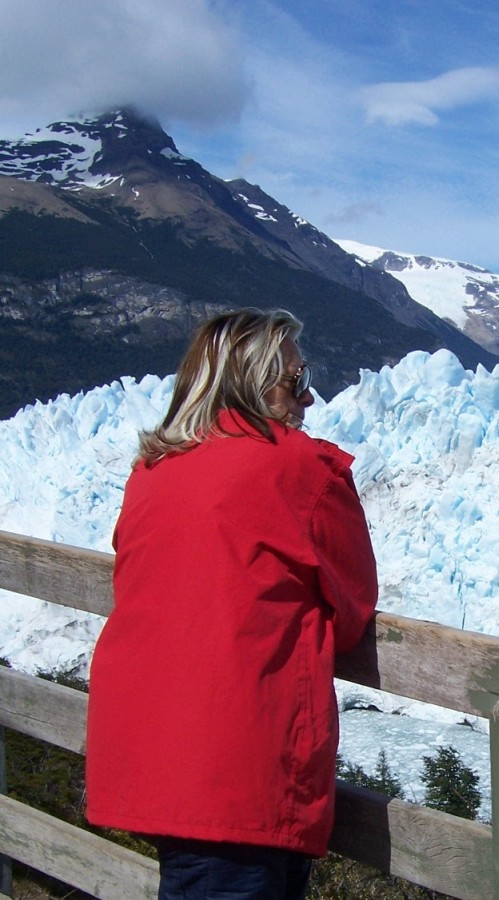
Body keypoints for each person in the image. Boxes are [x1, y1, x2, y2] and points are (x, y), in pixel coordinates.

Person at [85, 308, 378, 899]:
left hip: (157, 749)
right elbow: (353, 604)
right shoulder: (303, 469)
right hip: (243, 767)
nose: (310, 398)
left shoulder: (152, 470)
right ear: (249, 381)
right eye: (294, 381)